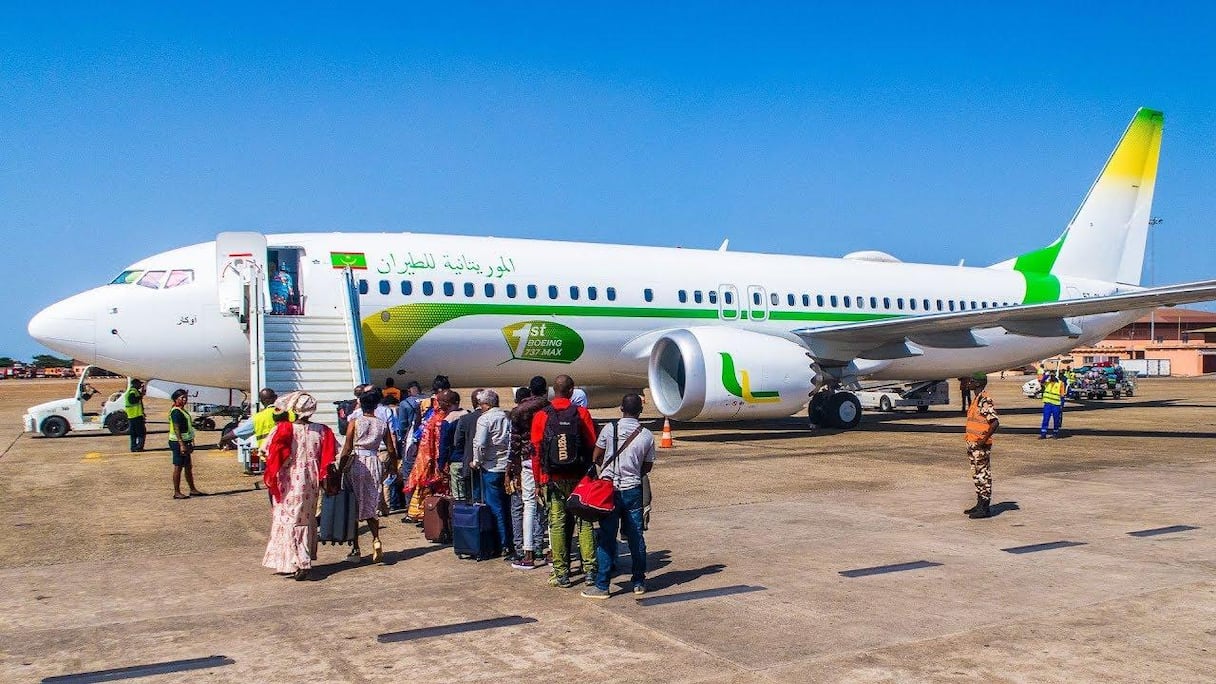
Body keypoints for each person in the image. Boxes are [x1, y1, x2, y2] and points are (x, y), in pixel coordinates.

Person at [582, 393, 656, 599]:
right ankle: (639, 582)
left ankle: (602, 585)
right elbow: (647, 467)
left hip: (609, 490)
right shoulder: (646, 435)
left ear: (621, 408)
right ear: (641, 411)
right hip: (633, 490)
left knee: (607, 537)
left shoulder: (609, 429)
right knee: (636, 537)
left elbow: (596, 455)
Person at [261, 391, 337, 581]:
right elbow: (330, 457)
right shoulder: (322, 431)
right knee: (305, 517)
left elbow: (266, 452)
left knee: (289, 518)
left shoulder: (283, 429)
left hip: (289, 480)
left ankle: (299, 561)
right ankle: (297, 558)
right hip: (311, 480)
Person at [531, 374, 597, 588]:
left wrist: (538, 481)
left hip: (553, 479)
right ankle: (590, 571)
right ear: (572, 390)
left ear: (554, 390)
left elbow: (536, 452)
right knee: (584, 523)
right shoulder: (581, 413)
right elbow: (592, 444)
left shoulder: (542, 415)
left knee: (557, 524)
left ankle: (561, 574)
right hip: (579, 478)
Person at [337, 390, 398, 563]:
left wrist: (341, 467)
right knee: (371, 503)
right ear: (376, 405)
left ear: (361, 405)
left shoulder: (355, 422)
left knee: (353, 506)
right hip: (374, 461)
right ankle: (376, 539)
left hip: (357, 463)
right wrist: (393, 467)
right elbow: (391, 449)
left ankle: (355, 549)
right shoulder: (382, 424)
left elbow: (347, 448)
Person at [509, 376, 549, 570]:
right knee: (550, 505)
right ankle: (552, 551)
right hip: (547, 460)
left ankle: (528, 553)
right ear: (545, 390)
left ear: (530, 390)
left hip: (526, 459)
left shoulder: (518, 411)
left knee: (529, 505)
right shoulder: (550, 408)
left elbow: (515, 443)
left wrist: (512, 468)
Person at [472, 390, 514, 559]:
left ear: (486, 404)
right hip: (507, 467)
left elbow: (480, 444)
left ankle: (503, 543)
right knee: (509, 507)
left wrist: (477, 461)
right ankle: (512, 540)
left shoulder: (485, 419)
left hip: (491, 467)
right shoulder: (506, 417)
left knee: (496, 508)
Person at [404, 386, 451, 521]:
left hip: (431, 458)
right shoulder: (441, 419)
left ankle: (430, 515)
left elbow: (424, 439)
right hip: (437, 459)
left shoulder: (433, 420)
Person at [962, 373, 999, 519]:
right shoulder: (976, 399)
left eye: (971, 381)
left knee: (984, 475)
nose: (968, 383)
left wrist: (983, 440)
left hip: (980, 445)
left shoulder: (984, 400)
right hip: (973, 444)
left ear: (977, 383)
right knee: (977, 475)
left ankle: (985, 508)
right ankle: (979, 504)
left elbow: (995, 422)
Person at [168, 389, 204, 499]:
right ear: (176, 399)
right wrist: (181, 444)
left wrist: (190, 441)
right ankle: (177, 492)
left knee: (188, 466)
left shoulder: (182, 410)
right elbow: (176, 428)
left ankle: (192, 489)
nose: (185, 400)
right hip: (178, 442)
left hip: (185, 441)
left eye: (185, 398)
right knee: (178, 466)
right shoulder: (176, 412)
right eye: (182, 398)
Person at [448, 389, 481, 501]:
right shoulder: (501, 416)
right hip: (493, 464)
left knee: (472, 496)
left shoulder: (466, 419)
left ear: (473, 402)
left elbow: (457, 442)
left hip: (471, 462)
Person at [1039, 371, 1065, 439]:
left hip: (1056, 405)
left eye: (1053, 376)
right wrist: (1047, 375)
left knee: (1056, 420)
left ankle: (1055, 433)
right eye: (1051, 376)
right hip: (1047, 404)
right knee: (1045, 419)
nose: (1052, 377)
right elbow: (1042, 381)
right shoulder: (1047, 383)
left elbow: (1062, 395)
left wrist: (1062, 405)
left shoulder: (1060, 383)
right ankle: (1043, 434)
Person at [124, 379, 146, 452]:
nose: (140, 385)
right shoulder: (133, 391)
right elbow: (132, 400)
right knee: (141, 432)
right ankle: (139, 447)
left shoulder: (132, 391)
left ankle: (133, 447)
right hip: (136, 416)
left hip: (131, 415)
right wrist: (141, 395)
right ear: (135, 384)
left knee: (133, 433)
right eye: (139, 384)